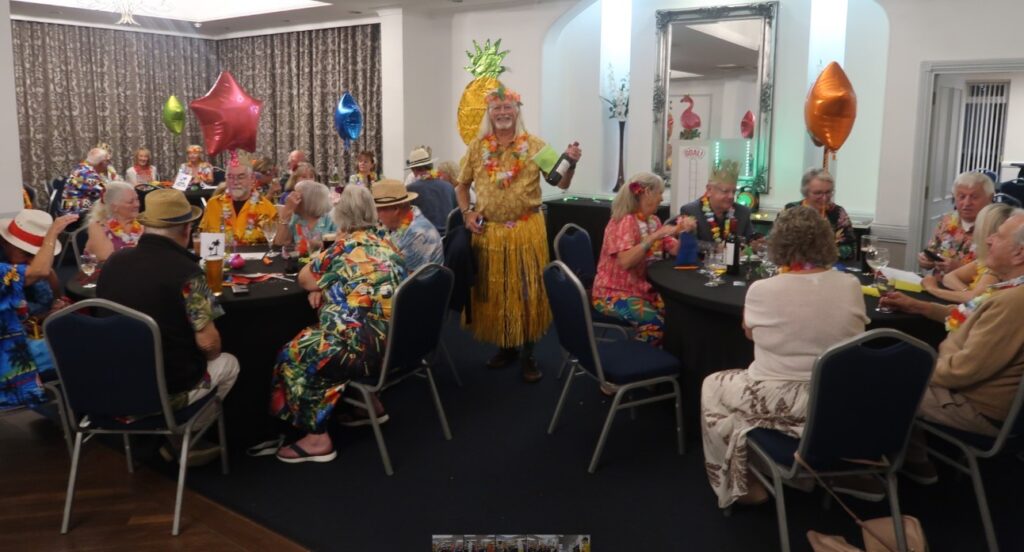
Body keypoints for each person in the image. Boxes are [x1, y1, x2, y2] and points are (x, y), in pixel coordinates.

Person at [701, 206, 869, 508]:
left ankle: (743, 484)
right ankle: (800, 469)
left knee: (713, 385)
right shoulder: (851, 285)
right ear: (826, 241)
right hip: (838, 399)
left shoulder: (763, 289)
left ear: (778, 243)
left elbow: (750, 333)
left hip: (783, 399)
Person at [98, 189, 239, 465]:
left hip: (111, 382)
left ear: (145, 226)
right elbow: (208, 343)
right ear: (187, 229)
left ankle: (159, 436)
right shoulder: (186, 272)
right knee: (228, 363)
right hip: (165, 389)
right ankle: (180, 436)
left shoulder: (114, 261)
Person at [884, 210, 1024, 484]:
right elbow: (970, 313)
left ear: (1019, 254)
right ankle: (914, 456)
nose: (989, 240)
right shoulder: (1012, 289)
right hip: (976, 396)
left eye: (998, 236)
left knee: (875, 377)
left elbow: (958, 372)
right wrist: (920, 307)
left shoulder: (1012, 303)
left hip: (975, 408)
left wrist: (920, 363)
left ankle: (863, 471)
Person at [270, 185, 406, 463]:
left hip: (362, 354)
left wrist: (322, 280)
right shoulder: (389, 244)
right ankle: (370, 406)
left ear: (341, 217)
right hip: (397, 346)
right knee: (357, 325)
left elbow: (305, 279)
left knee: (294, 351)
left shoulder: (344, 248)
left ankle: (317, 438)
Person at [456, 85, 582, 382]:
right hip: (489, 233)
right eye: (496, 107)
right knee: (497, 293)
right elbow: (461, 186)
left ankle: (528, 354)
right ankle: (506, 346)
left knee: (526, 292)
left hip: (526, 231)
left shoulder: (536, 145)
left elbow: (561, 183)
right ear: (489, 113)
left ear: (517, 111)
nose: (502, 112)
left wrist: (571, 163)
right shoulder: (476, 147)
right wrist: (467, 213)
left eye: (508, 107)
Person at [591, 172, 694, 347]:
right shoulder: (623, 221)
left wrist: (685, 230)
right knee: (656, 326)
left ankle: (663, 358)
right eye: (660, 193)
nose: (662, 198)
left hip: (641, 290)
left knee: (677, 314)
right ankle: (634, 360)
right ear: (647, 192)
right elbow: (626, 261)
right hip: (612, 294)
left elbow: (676, 250)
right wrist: (654, 237)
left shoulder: (653, 221)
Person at [0, 211, 77, 408]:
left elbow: (47, 277)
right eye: (27, 254)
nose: (33, 260)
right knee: (81, 347)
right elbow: (39, 270)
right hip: (9, 353)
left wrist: (54, 309)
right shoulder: (7, 272)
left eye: (37, 254)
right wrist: (52, 234)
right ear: (5, 243)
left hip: (26, 336)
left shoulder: (30, 269)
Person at [917, 203, 1013, 305]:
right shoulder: (984, 259)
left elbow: (976, 299)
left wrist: (933, 289)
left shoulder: (998, 266)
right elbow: (948, 278)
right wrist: (966, 293)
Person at [919, 170, 994, 276]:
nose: (967, 203)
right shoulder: (947, 221)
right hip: (935, 283)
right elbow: (932, 252)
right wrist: (925, 260)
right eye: (961, 197)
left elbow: (999, 276)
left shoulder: (997, 228)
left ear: (990, 198)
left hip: (969, 287)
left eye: (974, 197)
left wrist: (960, 269)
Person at [199, 157, 278, 245]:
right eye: (230, 177)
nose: (235, 182)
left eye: (240, 177)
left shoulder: (266, 207)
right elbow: (203, 242)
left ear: (252, 179)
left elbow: (274, 244)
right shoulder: (213, 205)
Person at [372, 178, 443, 272]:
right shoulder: (407, 220)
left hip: (419, 280)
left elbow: (401, 274)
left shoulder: (415, 234)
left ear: (396, 209)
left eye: (378, 210)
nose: (377, 216)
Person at [784, 168, 856, 261]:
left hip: (829, 266)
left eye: (828, 192)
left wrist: (819, 254)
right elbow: (777, 245)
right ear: (805, 193)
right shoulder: (790, 211)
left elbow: (851, 249)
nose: (824, 198)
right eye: (818, 193)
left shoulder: (838, 212)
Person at [679, 160, 755, 246]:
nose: (731, 196)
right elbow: (688, 243)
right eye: (725, 191)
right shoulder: (691, 211)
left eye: (733, 192)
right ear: (709, 190)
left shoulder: (742, 212)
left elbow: (750, 240)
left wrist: (756, 243)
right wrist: (715, 247)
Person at [84, 181, 142, 261]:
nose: (137, 204)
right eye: (130, 202)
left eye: (137, 199)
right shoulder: (98, 225)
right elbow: (106, 257)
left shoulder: (143, 222)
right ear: (114, 207)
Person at [273, 180, 337, 253]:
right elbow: (279, 243)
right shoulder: (294, 218)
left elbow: (340, 245)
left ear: (308, 201)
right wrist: (285, 214)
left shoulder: (331, 219)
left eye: (296, 195)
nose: (289, 198)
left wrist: (309, 244)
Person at [406, 146, 458, 234]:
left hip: (425, 238)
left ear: (414, 169)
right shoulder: (449, 186)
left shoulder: (411, 189)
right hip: (449, 237)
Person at [60, 147, 109, 216]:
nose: (108, 164)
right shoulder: (88, 175)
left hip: (71, 207)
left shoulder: (82, 166)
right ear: (102, 163)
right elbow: (105, 193)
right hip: (76, 214)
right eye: (108, 161)